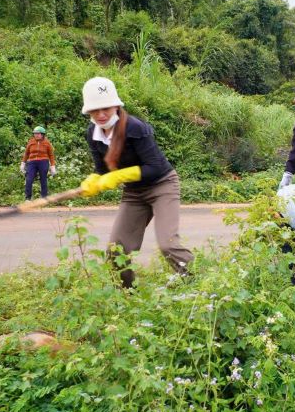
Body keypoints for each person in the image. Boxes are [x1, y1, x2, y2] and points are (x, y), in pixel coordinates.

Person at [78, 76, 194, 288]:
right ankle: (127, 297)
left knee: (168, 245)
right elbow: (102, 169)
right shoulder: (92, 134)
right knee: (116, 250)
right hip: (134, 193)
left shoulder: (135, 128)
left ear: (116, 105)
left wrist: (119, 176)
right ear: (88, 111)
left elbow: (155, 168)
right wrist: (94, 180)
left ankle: (201, 286)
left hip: (162, 185)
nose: (101, 115)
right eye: (95, 110)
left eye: (106, 108)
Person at [20, 126, 56, 200]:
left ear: (42, 134)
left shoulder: (47, 143)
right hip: (32, 162)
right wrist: (23, 163)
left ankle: (44, 197)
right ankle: (28, 198)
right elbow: (26, 153)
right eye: (35, 133)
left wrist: (52, 166)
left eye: (38, 133)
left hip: (43, 161)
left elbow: (51, 155)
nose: (36, 135)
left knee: (43, 179)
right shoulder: (31, 141)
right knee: (29, 179)